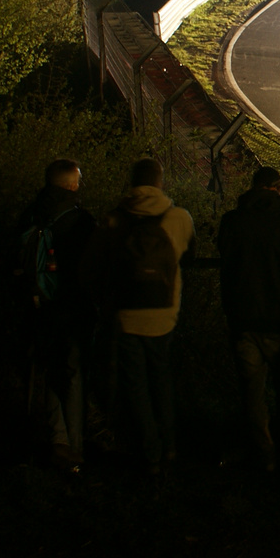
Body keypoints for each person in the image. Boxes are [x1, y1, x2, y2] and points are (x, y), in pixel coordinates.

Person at [89, 158, 195, 475]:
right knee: (161, 378)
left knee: (135, 383)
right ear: (160, 181)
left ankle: (149, 451)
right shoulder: (178, 218)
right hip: (164, 313)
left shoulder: (113, 220)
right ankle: (171, 446)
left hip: (125, 313)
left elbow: (93, 268)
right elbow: (187, 258)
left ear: (132, 183)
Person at [217, 166, 280, 472]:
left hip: (242, 317)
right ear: (276, 189)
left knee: (252, 392)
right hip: (277, 319)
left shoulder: (232, 222)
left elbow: (224, 253)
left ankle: (264, 452)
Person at [12, 158, 98, 468]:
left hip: (39, 306)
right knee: (74, 375)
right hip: (73, 308)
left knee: (48, 371)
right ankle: (75, 447)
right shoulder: (80, 220)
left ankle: (57, 439)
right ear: (72, 184)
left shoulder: (30, 215)